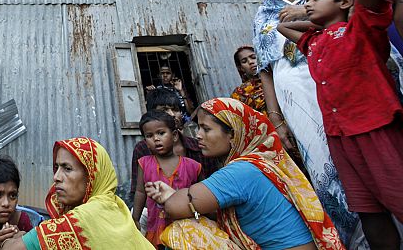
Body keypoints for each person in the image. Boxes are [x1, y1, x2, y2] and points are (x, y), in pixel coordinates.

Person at [278, 0, 403, 250]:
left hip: (374, 127)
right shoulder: (314, 42)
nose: (308, 4)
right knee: (368, 209)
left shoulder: (359, 29)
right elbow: (281, 27)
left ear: (345, 3)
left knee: (398, 194)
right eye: (306, 1)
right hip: (340, 136)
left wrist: (302, 12)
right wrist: (313, 17)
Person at [253, 0, 359, 245]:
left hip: (329, 80)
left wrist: (304, 11)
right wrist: (277, 120)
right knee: (321, 159)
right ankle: (348, 238)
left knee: (357, 150)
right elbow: (266, 69)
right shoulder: (263, 16)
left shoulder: (324, 0)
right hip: (293, 96)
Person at [146, 98, 345, 250]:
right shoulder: (261, 162)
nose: (198, 135)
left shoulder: (241, 171)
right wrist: (173, 193)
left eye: (206, 129)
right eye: (198, 127)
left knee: (185, 230)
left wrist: (171, 196)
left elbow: (174, 207)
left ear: (233, 134)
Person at [2, 137, 153, 250]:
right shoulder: (113, 208)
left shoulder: (88, 216)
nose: (56, 177)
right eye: (57, 167)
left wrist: (8, 240)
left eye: (67, 169)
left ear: (91, 177)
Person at [129, 89, 218, 210]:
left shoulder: (198, 147)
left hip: (196, 210)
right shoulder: (143, 148)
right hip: (155, 212)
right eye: (164, 110)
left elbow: (212, 190)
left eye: (175, 109)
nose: (171, 114)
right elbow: (138, 192)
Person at [132, 111, 201, 247]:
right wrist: (135, 219)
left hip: (185, 227)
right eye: (149, 136)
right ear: (145, 141)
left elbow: (199, 197)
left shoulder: (193, 166)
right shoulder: (144, 163)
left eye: (161, 133)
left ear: (174, 135)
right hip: (156, 225)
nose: (156, 139)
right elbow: (140, 192)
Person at [229, 46, 266, 114]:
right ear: (241, 68)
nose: (250, 62)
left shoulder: (276, 79)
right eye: (244, 61)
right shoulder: (239, 93)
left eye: (253, 57)